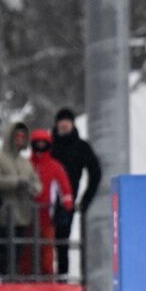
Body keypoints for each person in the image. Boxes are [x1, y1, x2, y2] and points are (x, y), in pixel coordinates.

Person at [49, 108, 101, 277]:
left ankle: (62, 279)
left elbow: (95, 172)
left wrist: (85, 199)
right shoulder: (48, 145)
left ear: (72, 124)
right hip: (44, 202)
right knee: (42, 243)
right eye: (61, 121)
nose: (63, 124)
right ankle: (44, 279)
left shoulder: (80, 146)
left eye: (67, 121)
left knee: (62, 242)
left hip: (67, 202)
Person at [0, 121, 41, 277]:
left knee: (17, 258)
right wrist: (17, 182)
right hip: (2, 217)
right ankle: (3, 288)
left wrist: (32, 188)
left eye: (23, 136)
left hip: (23, 217)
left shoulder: (26, 162)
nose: (20, 139)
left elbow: (37, 184)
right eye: (17, 135)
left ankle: (12, 286)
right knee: (3, 257)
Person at [27, 129, 74, 275]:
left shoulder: (55, 167)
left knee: (47, 256)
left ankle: (48, 285)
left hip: (48, 218)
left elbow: (65, 190)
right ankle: (25, 285)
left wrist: (66, 209)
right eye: (37, 144)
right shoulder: (26, 165)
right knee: (26, 255)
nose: (40, 147)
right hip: (27, 218)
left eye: (44, 144)